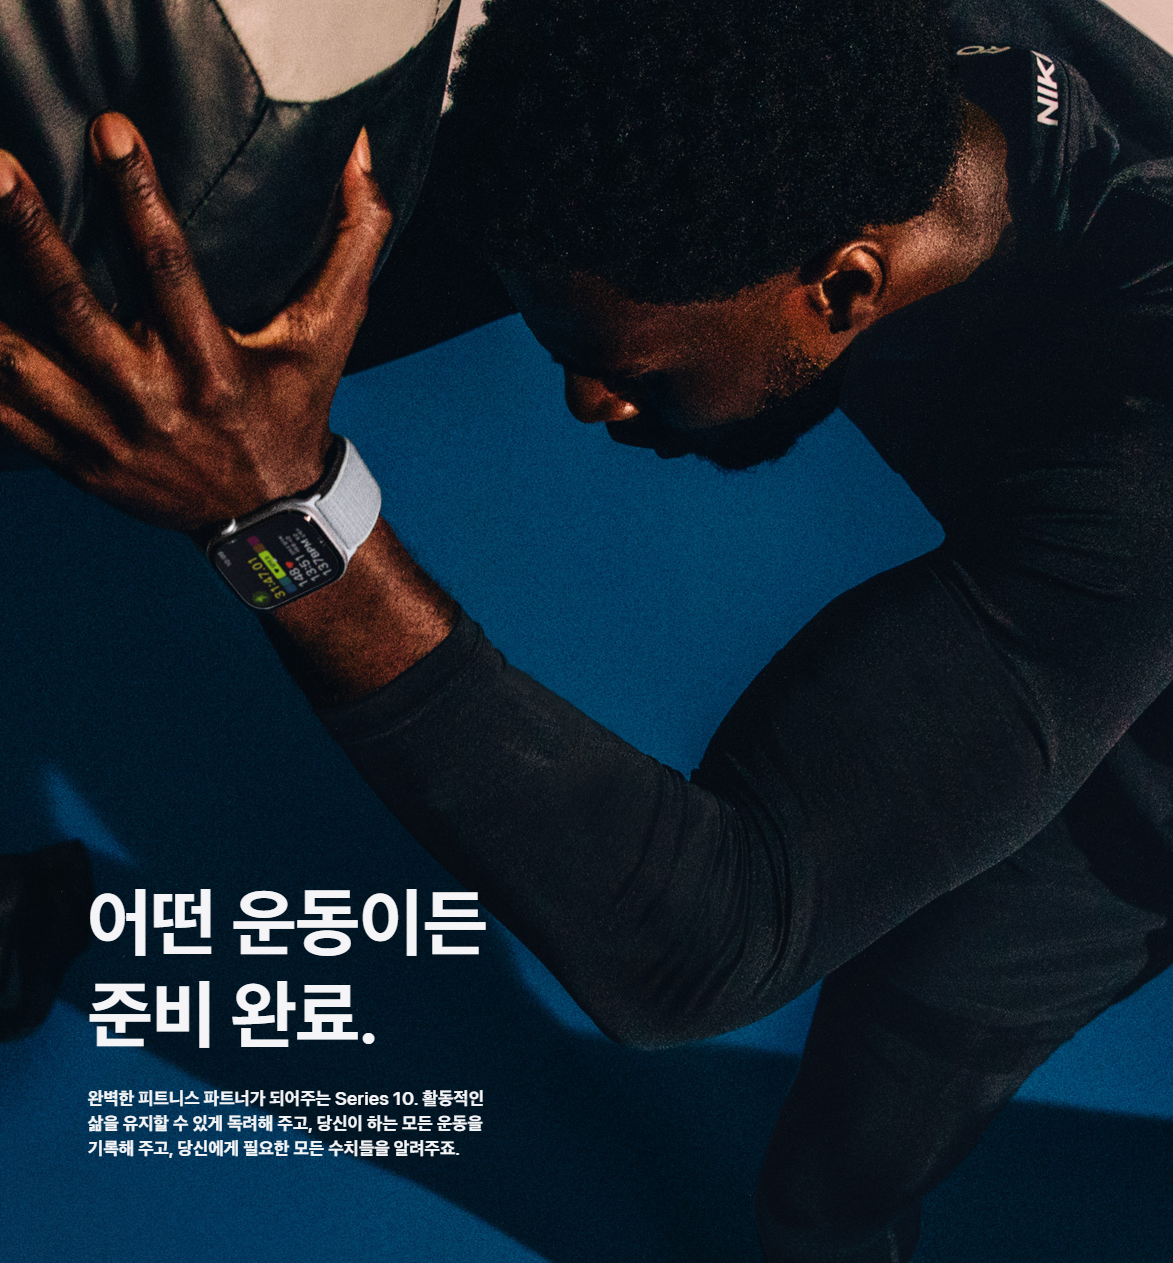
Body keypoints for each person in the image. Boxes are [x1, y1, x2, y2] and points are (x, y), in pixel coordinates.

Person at [1, 0, 1172, 1258]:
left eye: (634, 370)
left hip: (1147, 787)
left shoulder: (1140, 413)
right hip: (1088, 591)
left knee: (863, 1125)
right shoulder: (751, 103)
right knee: (834, 1168)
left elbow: (704, 942)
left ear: (844, 287)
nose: (588, 399)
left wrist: (281, 520)